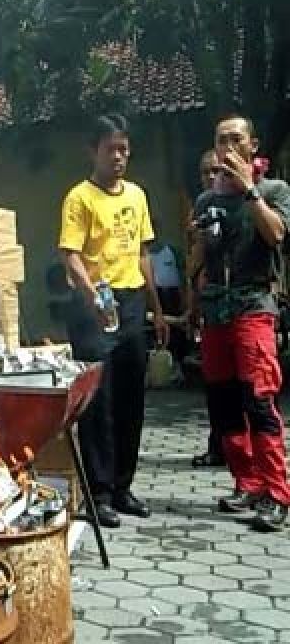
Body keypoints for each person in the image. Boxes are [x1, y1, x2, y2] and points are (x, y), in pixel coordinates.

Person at [59, 114, 169, 528]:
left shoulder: (137, 196)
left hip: (132, 301)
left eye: (124, 148)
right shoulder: (79, 198)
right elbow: (70, 255)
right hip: (93, 305)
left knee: (130, 398)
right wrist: (94, 298)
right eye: (111, 149)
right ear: (94, 151)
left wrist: (156, 308)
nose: (119, 156)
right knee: (98, 402)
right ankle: (99, 492)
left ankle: (123, 486)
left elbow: (144, 255)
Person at [190, 114, 290, 532]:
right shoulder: (206, 201)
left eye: (236, 139)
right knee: (223, 401)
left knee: (259, 399)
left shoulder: (274, 190)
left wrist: (249, 189)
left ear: (253, 145)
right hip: (214, 310)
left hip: (253, 306)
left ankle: (277, 493)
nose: (228, 147)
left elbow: (277, 235)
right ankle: (246, 482)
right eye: (220, 141)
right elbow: (199, 258)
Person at [188, 149, 225, 468]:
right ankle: (217, 445)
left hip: (242, 305)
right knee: (213, 383)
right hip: (208, 302)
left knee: (246, 390)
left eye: (216, 171)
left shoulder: (245, 198)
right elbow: (195, 262)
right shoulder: (202, 205)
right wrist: (193, 308)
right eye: (205, 172)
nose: (210, 177)